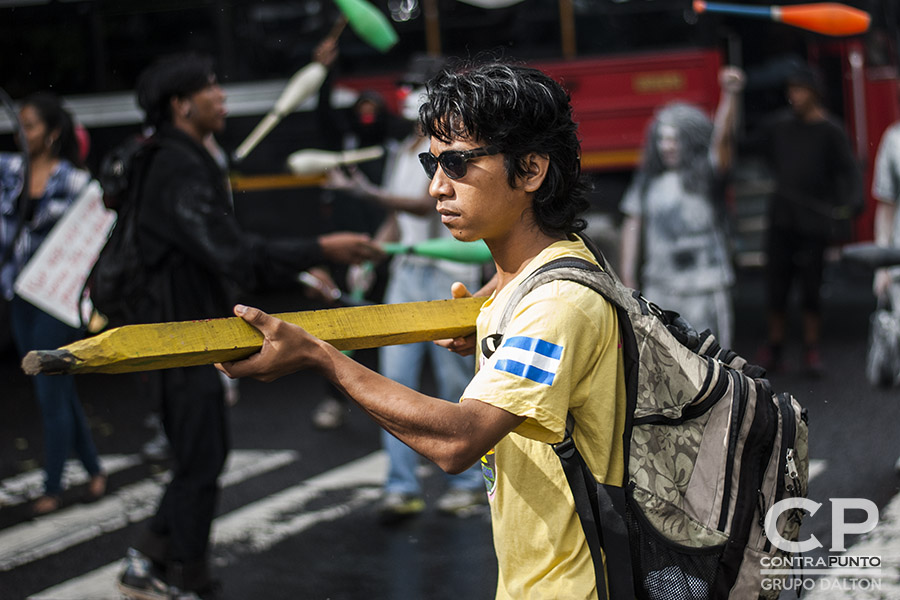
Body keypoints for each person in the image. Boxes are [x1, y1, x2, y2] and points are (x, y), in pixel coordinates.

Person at [219, 61, 628, 598]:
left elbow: (458, 440)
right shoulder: (548, 266)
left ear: (530, 170)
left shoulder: (556, 303)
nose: (436, 188)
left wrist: (321, 358)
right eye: (430, 163)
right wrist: (485, 319)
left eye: (456, 164)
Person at [115, 52, 382, 600]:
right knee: (201, 456)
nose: (222, 95)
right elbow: (231, 253)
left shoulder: (186, 158)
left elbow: (220, 257)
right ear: (181, 104)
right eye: (210, 86)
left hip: (185, 330)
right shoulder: (174, 166)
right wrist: (319, 247)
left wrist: (298, 268)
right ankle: (186, 577)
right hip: (176, 337)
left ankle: (156, 561)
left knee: (200, 454)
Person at [324, 55, 487, 521]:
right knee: (392, 386)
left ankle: (473, 483)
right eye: (404, 85)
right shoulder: (403, 149)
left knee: (456, 388)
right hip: (405, 278)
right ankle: (401, 486)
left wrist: (362, 193)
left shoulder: (451, 147)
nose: (406, 94)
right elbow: (399, 219)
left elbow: (421, 205)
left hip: (443, 279)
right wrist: (372, 252)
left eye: (416, 86)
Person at [0, 92, 106, 516]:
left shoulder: (78, 184)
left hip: (58, 302)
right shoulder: (8, 172)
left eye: (30, 126)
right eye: (19, 125)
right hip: (19, 296)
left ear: (54, 132)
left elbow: (94, 240)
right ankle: (95, 471)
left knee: (48, 391)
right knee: (57, 389)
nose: (21, 134)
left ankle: (53, 487)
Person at [619, 66, 745, 349]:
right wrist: (627, 276)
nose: (667, 146)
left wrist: (730, 95)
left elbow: (722, 141)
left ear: (690, 141)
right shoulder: (648, 181)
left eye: (674, 139)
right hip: (661, 286)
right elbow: (632, 224)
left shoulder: (705, 176)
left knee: (712, 360)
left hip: (706, 285)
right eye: (662, 138)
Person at [755, 64, 862, 376]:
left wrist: (852, 203)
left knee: (811, 287)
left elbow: (849, 170)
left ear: (814, 93)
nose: (794, 96)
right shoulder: (778, 126)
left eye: (799, 90)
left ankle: (811, 348)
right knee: (777, 284)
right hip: (782, 218)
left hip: (813, 222)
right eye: (791, 90)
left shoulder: (831, 130)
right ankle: (775, 347)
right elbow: (752, 146)